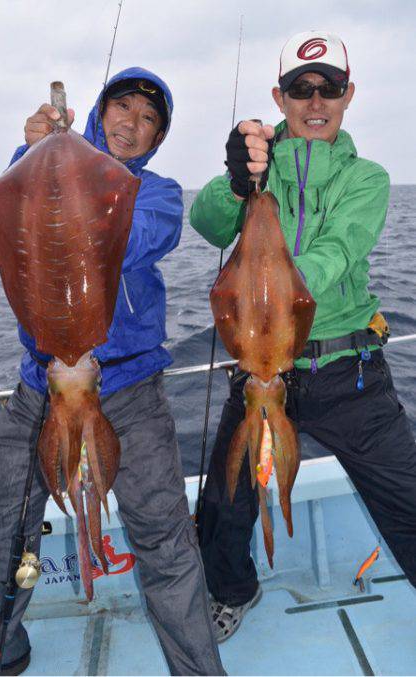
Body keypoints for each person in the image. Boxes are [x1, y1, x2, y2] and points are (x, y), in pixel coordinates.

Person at [0, 67, 225, 676]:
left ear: (157, 137)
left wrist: (71, 177)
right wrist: (32, 154)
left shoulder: (156, 193)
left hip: (130, 388)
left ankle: (198, 670)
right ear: (99, 112)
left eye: (147, 120)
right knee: (4, 517)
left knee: (162, 531)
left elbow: (134, 238)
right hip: (42, 384)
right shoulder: (35, 167)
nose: (130, 125)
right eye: (123, 108)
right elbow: (14, 216)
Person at [190, 31, 416, 642]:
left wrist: (276, 288)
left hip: (350, 374)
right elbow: (208, 223)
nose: (315, 102)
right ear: (280, 96)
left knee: (407, 494)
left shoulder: (368, 178)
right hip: (262, 374)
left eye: (329, 89)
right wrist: (237, 182)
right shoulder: (256, 167)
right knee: (224, 501)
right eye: (300, 88)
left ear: (348, 96)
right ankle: (232, 590)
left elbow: (341, 248)